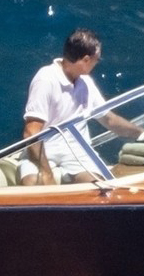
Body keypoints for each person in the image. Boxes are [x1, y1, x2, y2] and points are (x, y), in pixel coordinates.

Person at [18, 28, 144, 185]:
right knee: (32, 184)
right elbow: (31, 132)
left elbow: (109, 119)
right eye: (96, 60)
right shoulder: (45, 79)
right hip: (45, 151)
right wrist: (46, 172)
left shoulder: (86, 82)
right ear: (86, 60)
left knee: (102, 189)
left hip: (77, 152)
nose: (96, 64)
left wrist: (140, 133)